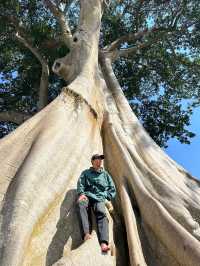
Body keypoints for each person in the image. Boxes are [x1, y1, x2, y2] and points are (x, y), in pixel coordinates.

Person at [77, 154, 116, 252]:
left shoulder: (105, 174)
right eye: (97, 159)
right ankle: (86, 234)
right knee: (82, 204)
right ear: (92, 161)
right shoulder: (86, 173)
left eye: (100, 160)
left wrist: (106, 196)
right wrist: (81, 193)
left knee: (101, 212)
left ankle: (103, 243)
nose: (99, 161)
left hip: (100, 198)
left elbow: (112, 188)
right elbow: (81, 183)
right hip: (88, 195)